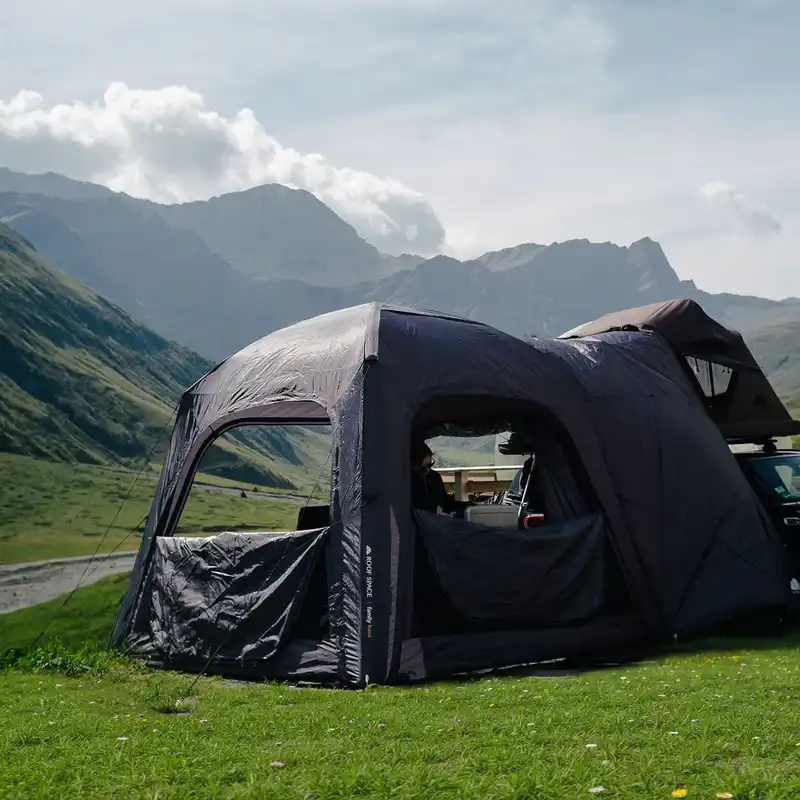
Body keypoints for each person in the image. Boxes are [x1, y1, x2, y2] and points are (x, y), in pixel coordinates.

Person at [410, 440, 457, 514]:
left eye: (430, 465)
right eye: (422, 468)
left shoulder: (434, 476)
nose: (428, 470)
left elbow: (445, 503)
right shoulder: (409, 482)